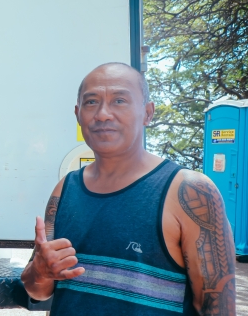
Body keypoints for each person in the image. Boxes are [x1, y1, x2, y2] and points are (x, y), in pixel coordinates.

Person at [20, 63, 236, 315]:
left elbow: (217, 308)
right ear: (78, 114)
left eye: (119, 100)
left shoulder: (189, 190)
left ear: (147, 113)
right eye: (91, 103)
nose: (102, 114)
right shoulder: (65, 189)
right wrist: (41, 271)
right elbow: (38, 290)